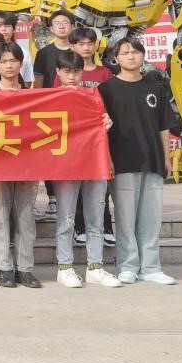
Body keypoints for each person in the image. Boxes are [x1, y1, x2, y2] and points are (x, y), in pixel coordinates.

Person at [100, 37, 176, 285]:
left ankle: (151, 267)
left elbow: (163, 126)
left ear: (143, 55)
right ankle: (128, 265)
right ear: (116, 58)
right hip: (123, 160)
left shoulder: (156, 88)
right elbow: (101, 130)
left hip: (152, 159)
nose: (131, 56)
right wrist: (107, 159)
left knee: (151, 217)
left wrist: (166, 157)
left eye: (135, 51)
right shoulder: (106, 89)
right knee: (125, 218)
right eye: (125, 53)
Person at [52, 50, 121, 288]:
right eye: (67, 71)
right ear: (58, 72)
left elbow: (103, 128)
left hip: (93, 161)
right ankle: (65, 267)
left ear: (82, 72)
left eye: (76, 71)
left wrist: (107, 126)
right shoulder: (47, 99)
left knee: (96, 218)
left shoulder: (93, 95)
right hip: (65, 166)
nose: (72, 76)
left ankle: (95, 267)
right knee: (66, 218)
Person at [0, 41, 41, 288]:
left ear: (21, 63)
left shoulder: (33, 96)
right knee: (0, 213)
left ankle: (25, 268)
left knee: (26, 215)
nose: (9, 65)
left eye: (13, 61)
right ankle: (5, 268)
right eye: (3, 61)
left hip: (28, 163)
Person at [33, 10, 76, 89]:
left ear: (73, 27)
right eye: (57, 23)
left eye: (65, 23)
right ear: (51, 28)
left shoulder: (79, 52)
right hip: (51, 95)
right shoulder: (43, 53)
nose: (61, 26)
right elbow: (38, 82)